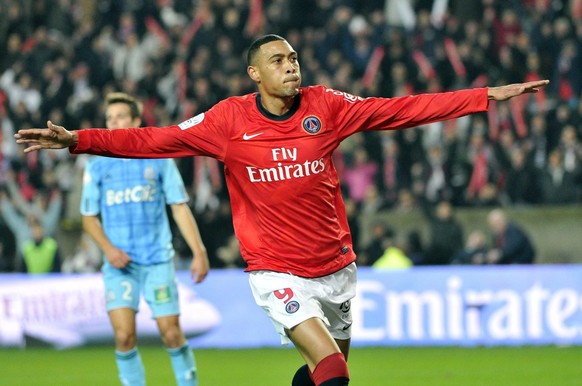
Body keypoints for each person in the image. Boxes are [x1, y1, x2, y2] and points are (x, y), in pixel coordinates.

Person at [15, 34, 549, 386]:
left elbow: (400, 110)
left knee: (324, 370)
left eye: (293, 59)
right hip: (277, 269)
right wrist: (79, 139)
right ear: (255, 73)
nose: (291, 67)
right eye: (278, 61)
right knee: (335, 375)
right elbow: (155, 139)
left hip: (336, 264)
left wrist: (482, 96)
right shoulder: (228, 121)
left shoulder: (327, 106)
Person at [79, 92, 209, 386]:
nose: (114, 123)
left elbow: (178, 206)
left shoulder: (159, 159)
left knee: (171, 332)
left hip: (157, 260)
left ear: (136, 121)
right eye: (109, 119)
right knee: (124, 336)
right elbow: (88, 217)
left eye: (120, 117)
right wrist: (109, 249)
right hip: (119, 264)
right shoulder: (97, 166)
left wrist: (198, 251)